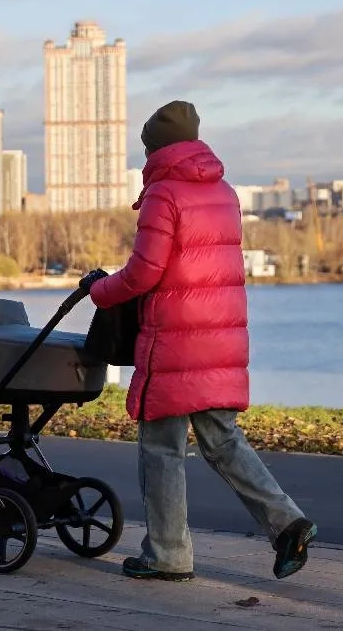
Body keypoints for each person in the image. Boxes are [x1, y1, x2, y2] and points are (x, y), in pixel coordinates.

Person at [79, 101, 317, 583]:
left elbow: (145, 272)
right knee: (223, 439)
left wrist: (98, 292)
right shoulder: (224, 191)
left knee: (161, 448)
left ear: (155, 147)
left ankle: (168, 555)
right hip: (221, 337)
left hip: (175, 339)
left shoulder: (163, 194)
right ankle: (286, 521)